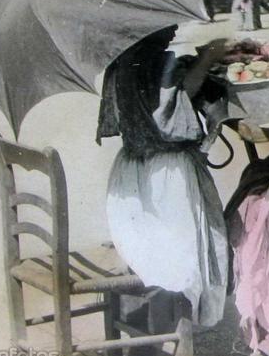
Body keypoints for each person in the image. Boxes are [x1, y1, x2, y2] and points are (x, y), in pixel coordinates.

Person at [97, 26, 230, 333]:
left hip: (132, 175)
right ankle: (166, 331)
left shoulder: (122, 59)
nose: (174, 31)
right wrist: (208, 57)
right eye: (168, 26)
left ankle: (143, 327)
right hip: (166, 179)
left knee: (150, 256)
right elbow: (174, 104)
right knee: (178, 263)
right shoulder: (150, 61)